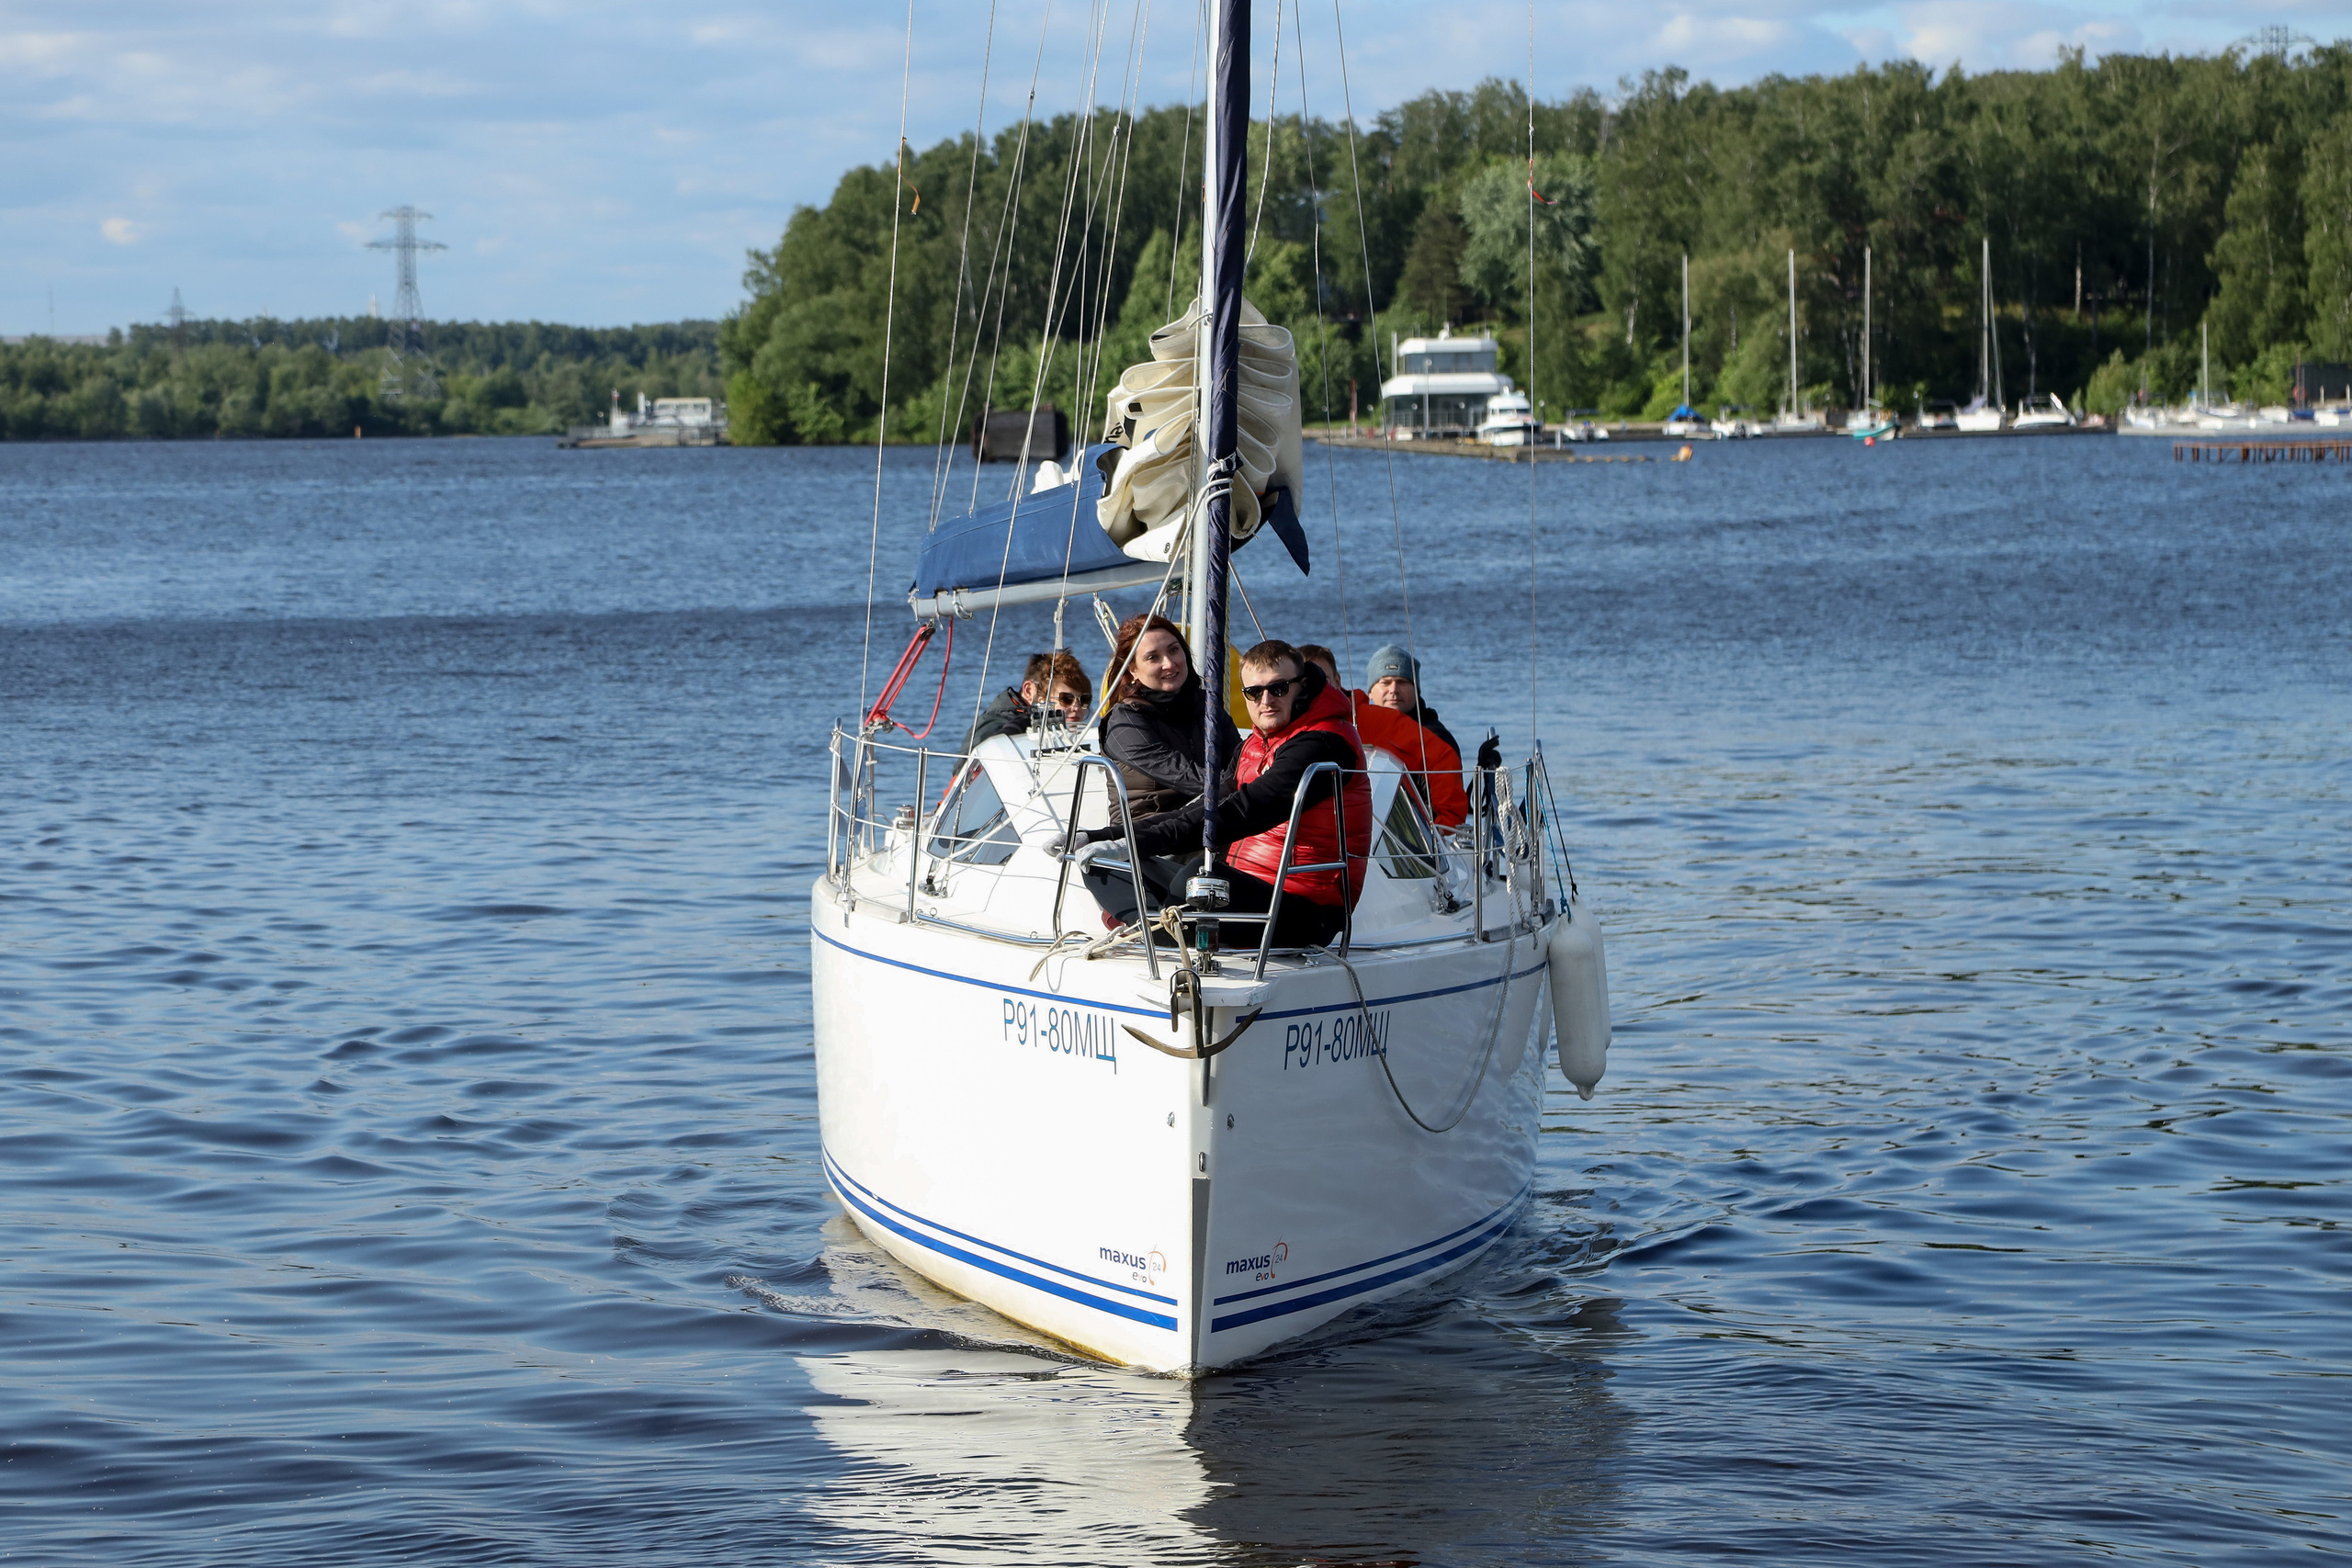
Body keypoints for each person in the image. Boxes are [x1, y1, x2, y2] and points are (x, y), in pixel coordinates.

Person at [1065, 640, 1372, 949]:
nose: (1265, 700)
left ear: (1302, 687)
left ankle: (1158, 929)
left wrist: (1136, 843)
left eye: (1278, 689)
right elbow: (1203, 808)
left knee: (1195, 879)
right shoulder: (1255, 744)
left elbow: (1245, 811)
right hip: (1248, 890)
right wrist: (1102, 837)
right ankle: (1164, 929)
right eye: (1254, 692)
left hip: (1307, 907)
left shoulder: (1325, 744)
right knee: (1099, 865)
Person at [1298, 644, 1468, 829]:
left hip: (1379, 838)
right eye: (1304, 683)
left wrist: (1444, 827)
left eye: (1402, 682)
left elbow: (1442, 757)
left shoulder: (1378, 722)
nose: (1394, 690)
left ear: (1337, 681)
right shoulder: (1274, 723)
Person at [1097, 614, 1238, 822]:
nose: (1170, 664)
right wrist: (1253, 787)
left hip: (1210, 819)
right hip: (1148, 836)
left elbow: (1243, 759)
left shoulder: (1207, 705)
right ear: (1132, 669)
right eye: (1153, 657)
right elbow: (1187, 777)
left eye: (1174, 650)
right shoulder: (1123, 722)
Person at [966, 650, 1092, 750]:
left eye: (1084, 700)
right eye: (1066, 699)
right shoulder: (997, 723)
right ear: (1029, 691)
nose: (1077, 707)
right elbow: (972, 767)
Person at [1363, 644, 1459, 755]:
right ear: (1370, 692)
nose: (1393, 690)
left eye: (1402, 682)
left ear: (1416, 690)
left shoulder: (1436, 737)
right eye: (1385, 683)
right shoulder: (1356, 732)